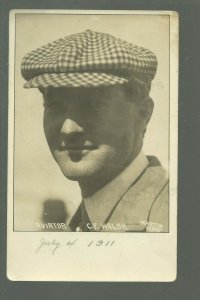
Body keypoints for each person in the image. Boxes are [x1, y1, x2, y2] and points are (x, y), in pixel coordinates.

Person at [21, 29, 169, 232]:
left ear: (142, 114)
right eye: (55, 106)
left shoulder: (173, 218)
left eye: (92, 106)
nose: (68, 129)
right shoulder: (83, 222)